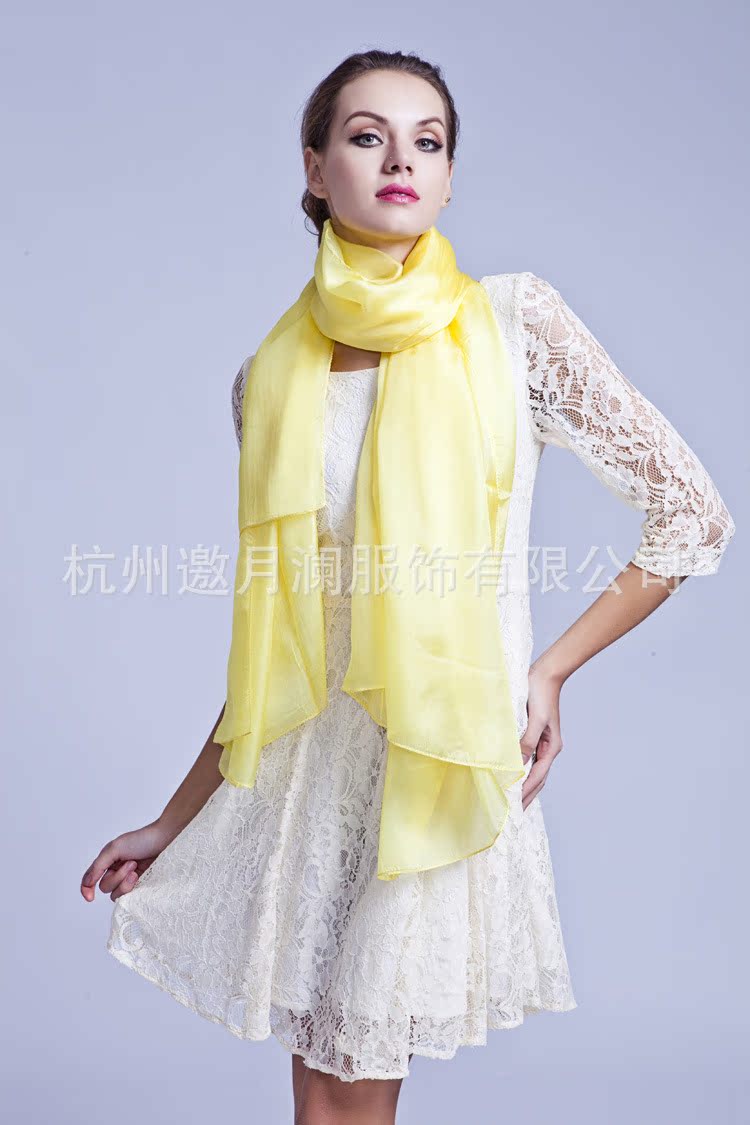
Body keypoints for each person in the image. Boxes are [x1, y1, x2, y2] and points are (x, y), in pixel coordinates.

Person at [80, 48, 735, 1125]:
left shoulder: (514, 323)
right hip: (311, 783)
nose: (400, 160)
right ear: (314, 168)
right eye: (366, 135)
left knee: (344, 1089)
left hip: (436, 762)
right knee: (327, 1095)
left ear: (448, 176)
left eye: (427, 141)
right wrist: (173, 818)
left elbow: (691, 513)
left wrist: (549, 673)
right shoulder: (268, 381)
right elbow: (285, 646)